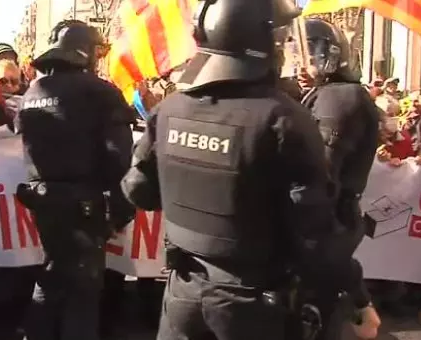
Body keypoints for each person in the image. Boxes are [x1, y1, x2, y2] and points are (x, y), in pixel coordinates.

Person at [120, 1, 379, 339]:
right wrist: (358, 298)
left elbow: (138, 191)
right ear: (263, 40)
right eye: (281, 36)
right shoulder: (283, 119)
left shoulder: (169, 110)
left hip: (182, 294)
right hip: (251, 306)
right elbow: (314, 233)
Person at [14, 19, 135, 340]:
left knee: (53, 277)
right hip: (83, 206)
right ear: (86, 52)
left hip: (43, 202)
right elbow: (119, 156)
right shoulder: (100, 92)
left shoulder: (32, 93)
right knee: (82, 291)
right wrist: (120, 208)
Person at [298, 18, 381, 340]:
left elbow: (319, 172)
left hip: (325, 224)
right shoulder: (323, 94)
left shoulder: (341, 98)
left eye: (307, 53)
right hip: (320, 226)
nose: (299, 63)